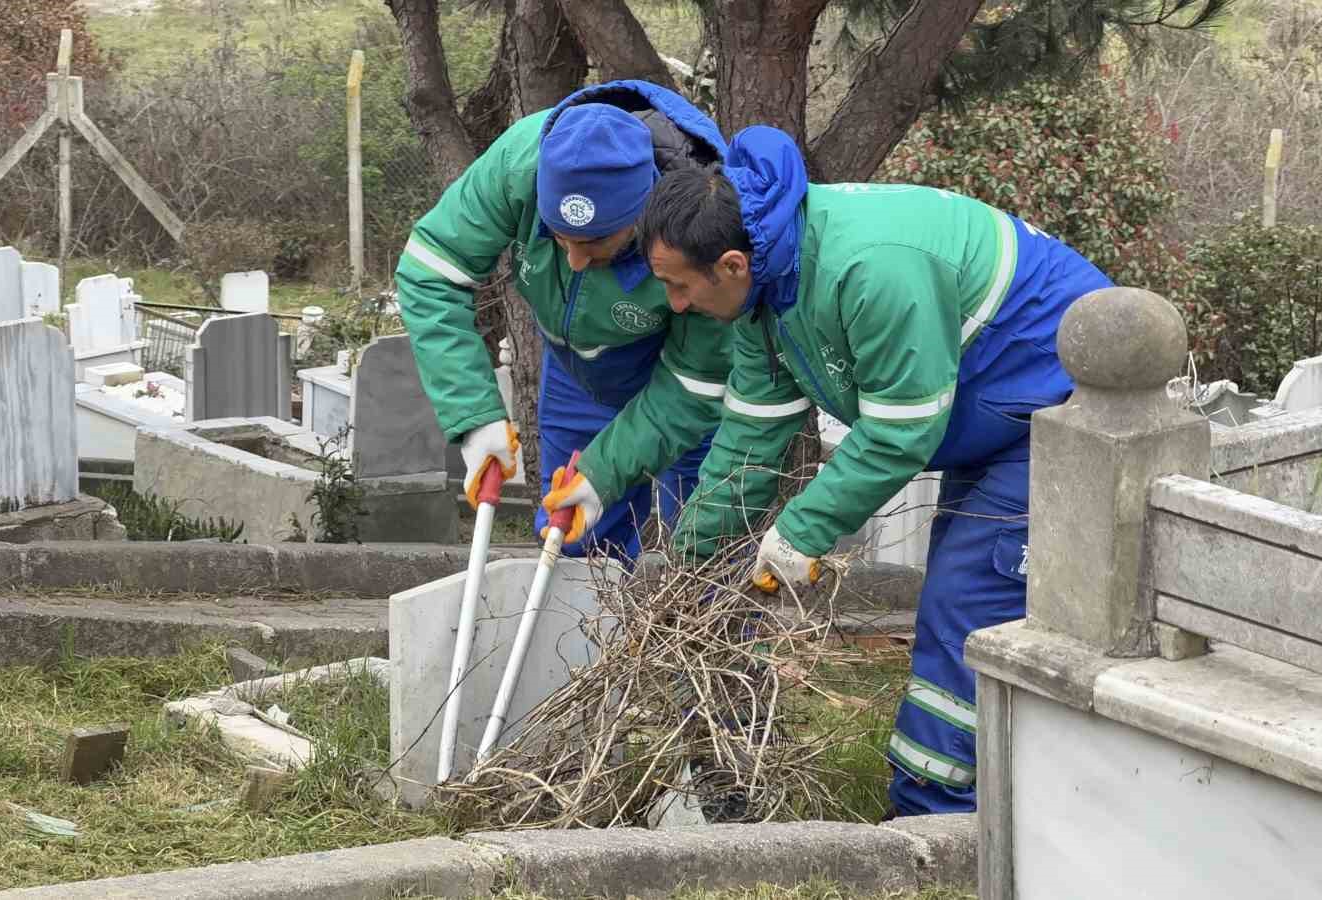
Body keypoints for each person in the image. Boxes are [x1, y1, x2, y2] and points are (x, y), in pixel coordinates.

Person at [636, 126, 1114, 815]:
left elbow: (899, 429)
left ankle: (933, 828)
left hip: (1060, 411)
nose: (676, 306)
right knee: (960, 609)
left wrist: (801, 533)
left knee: (963, 609)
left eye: (679, 288)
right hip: (989, 417)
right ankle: (979, 804)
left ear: (732, 264)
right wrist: (689, 566)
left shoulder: (870, 267)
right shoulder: (767, 297)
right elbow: (748, 444)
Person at [395, 81, 733, 561]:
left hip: (682, 384)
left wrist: (608, 470)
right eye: (558, 238)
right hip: (579, 376)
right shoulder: (520, 164)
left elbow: (694, 385)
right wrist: (473, 416)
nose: (574, 261)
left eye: (595, 245)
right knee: (573, 537)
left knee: (707, 546)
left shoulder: (706, 221)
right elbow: (430, 270)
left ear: (644, 218)